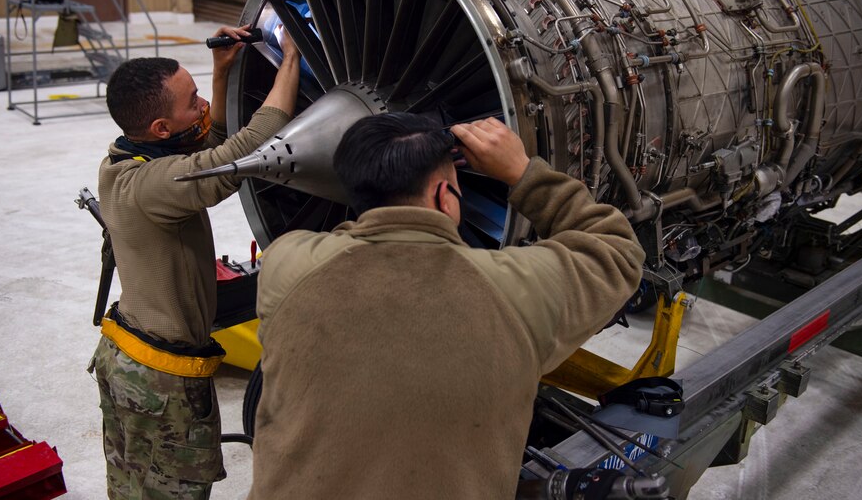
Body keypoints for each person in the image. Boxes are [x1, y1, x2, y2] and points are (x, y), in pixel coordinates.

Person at [249, 113, 645, 499]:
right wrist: (523, 172)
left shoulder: (287, 264)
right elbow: (617, 252)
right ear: (445, 196)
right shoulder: (518, 291)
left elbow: (348, 247)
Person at [89, 24, 300, 500]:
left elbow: (209, 150)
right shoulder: (153, 184)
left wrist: (221, 73)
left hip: (128, 355)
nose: (202, 105)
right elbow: (242, 154)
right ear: (162, 129)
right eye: (193, 101)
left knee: (131, 486)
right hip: (161, 381)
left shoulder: (126, 158)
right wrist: (292, 58)